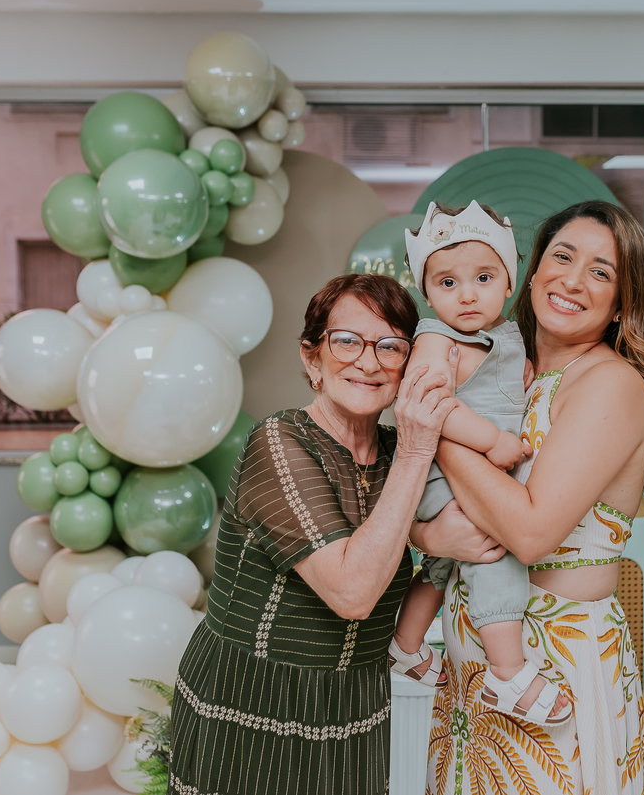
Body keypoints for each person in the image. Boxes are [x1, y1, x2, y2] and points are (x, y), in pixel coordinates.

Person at [168, 273, 493, 795]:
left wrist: (427, 537)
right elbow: (353, 591)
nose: (368, 362)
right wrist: (418, 461)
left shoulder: (394, 449)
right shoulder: (277, 442)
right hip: (253, 698)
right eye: (346, 341)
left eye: (391, 347)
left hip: (355, 699)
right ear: (311, 357)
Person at [426, 200, 644, 795]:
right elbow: (433, 503)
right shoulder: (504, 371)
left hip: (557, 670)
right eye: (562, 258)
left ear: (623, 304)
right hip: (474, 676)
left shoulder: (611, 383)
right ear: (532, 273)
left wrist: (434, 423)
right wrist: (429, 534)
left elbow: (532, 532)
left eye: (601, 272)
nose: (572, 279)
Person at [388, 199, 572, 723]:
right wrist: (492, 439)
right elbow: (431, 408)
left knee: (443, 562)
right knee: (493, 553)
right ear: (427, 292)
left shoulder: (509, 336)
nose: (467, 295)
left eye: (483, 277)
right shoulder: (434, 339)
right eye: (447, 283)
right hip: (437, 472)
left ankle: (405, 643)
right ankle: (508, 673)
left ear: (510, 284)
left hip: (470, 473)